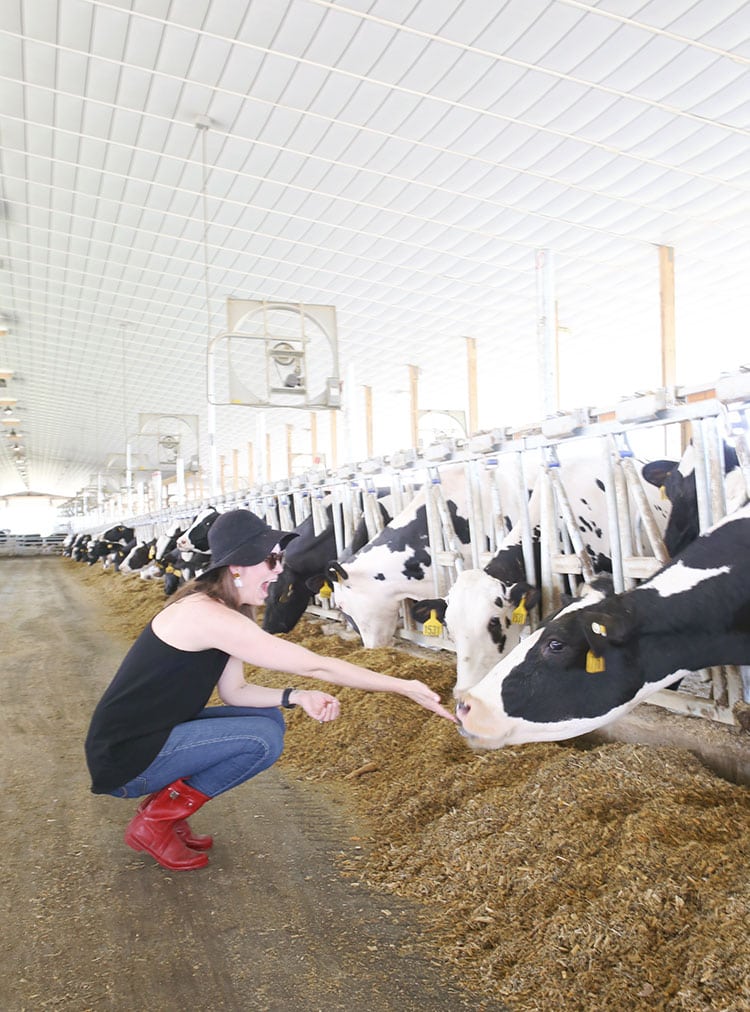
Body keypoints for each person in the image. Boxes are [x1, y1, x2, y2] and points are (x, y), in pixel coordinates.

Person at [85, 508, 456, 871]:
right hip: (127, 758)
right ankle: (156, 821)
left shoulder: (221, 608)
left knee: (267, 719)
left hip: (148, 738)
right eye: (271, 559)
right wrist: (403, 685)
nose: (279, 569)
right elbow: (315, 663)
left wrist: (295, 696)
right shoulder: (208, 616)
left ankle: (165, 811)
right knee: (262, 739)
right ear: (236, 568)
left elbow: (236, 692)